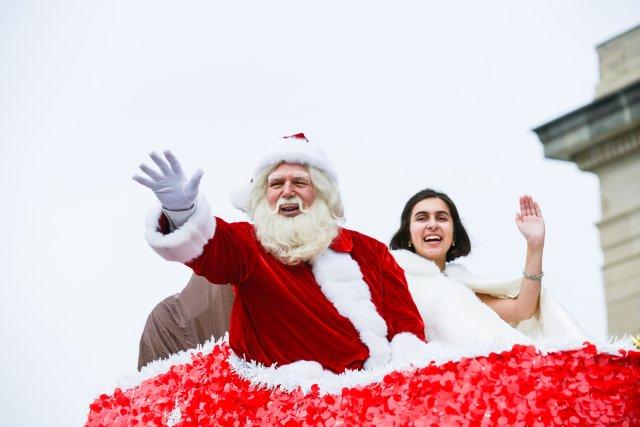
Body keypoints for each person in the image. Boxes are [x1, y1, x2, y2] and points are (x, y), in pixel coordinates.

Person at [133, 133, 429, 374]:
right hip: (282, 404)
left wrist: (405, 372)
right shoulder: (249, 246)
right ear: (264, 196)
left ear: (322, 192)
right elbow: (211, 247)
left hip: (368, 400)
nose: (287, 191)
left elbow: (405, 321)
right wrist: (182, 212)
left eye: (300, 182)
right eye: (276, 184)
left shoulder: (370, 251)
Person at [389, 188, 586, 349]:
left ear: (454, 235)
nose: (432, 224)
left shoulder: (461, 286)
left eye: (441, 218)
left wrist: (535, 245)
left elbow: (523, 309)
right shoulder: (393, 278)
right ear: (407, 235)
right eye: (422, 218)